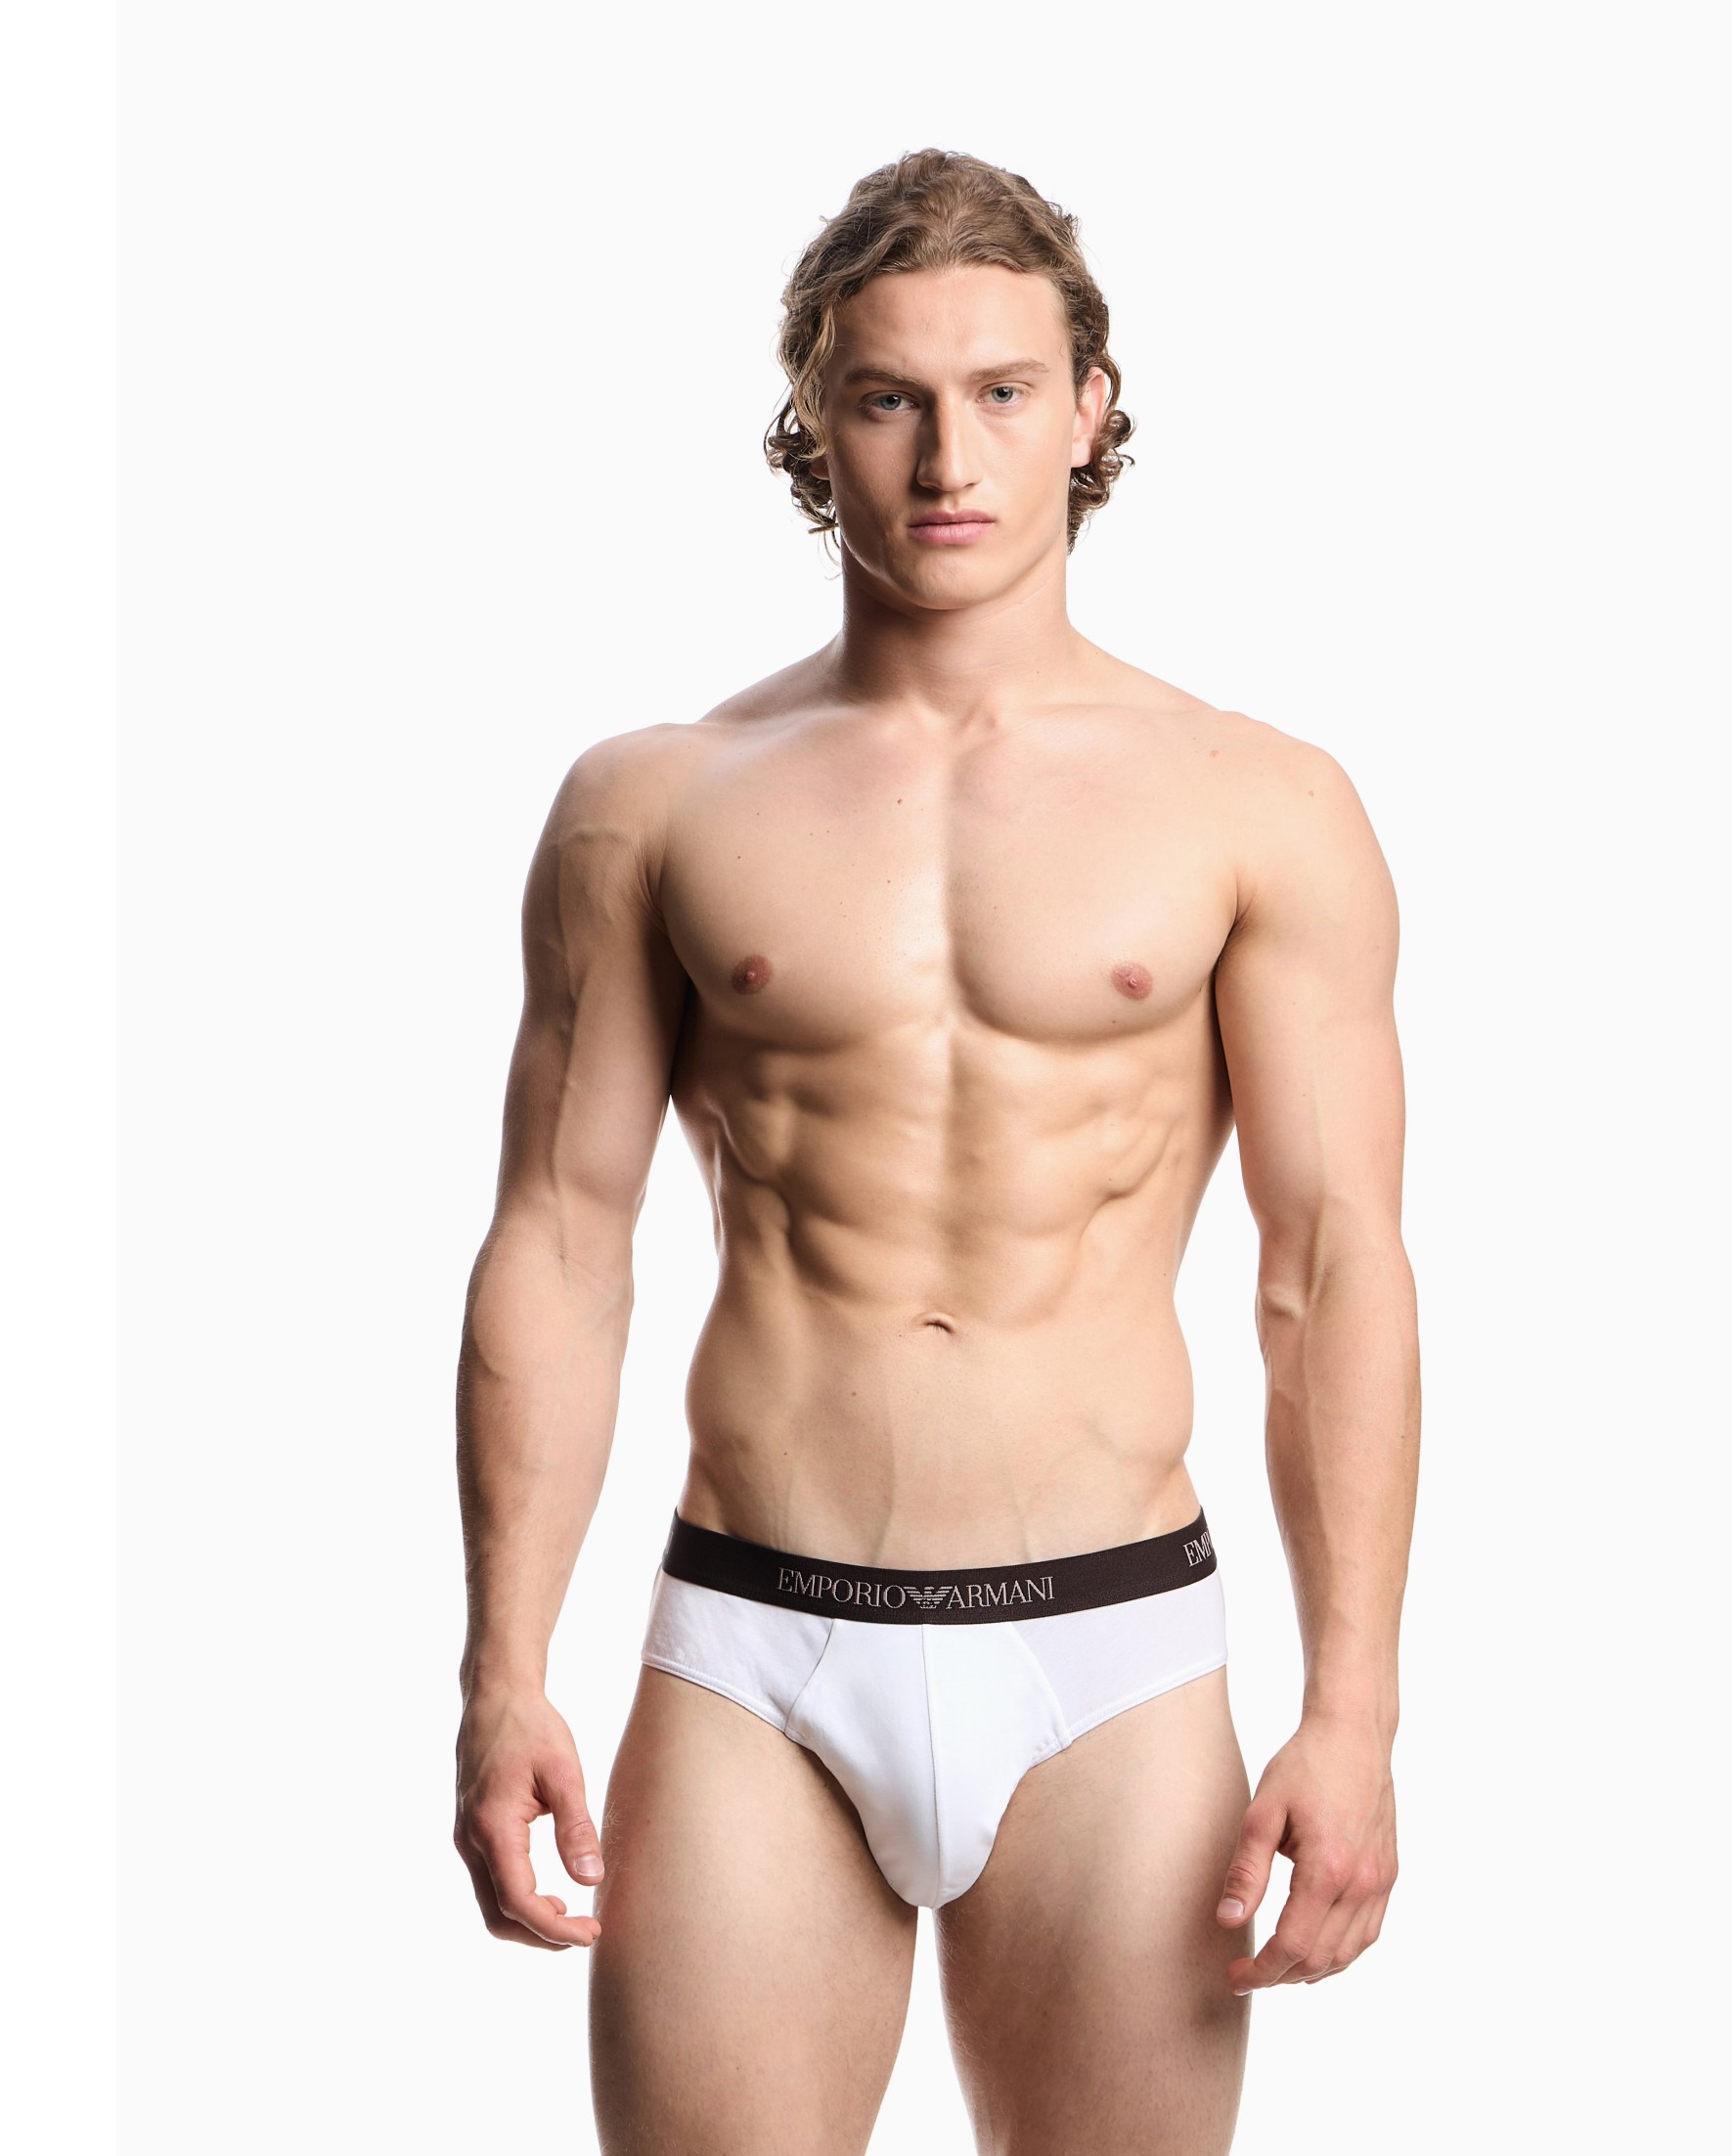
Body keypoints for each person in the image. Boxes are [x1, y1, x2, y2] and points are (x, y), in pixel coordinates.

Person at [452, 147, 1420, 2156]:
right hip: (755, 1644)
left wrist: (1354, 1711)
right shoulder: (655, 803)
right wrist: (501, 1667)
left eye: (1002, 390)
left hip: (1112, 1660)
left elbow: (1330, 1268)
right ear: (815, 415)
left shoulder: (1255, 802)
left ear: (1091, 406)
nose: (949, 457)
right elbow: (559, 1241)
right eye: (890, 396)